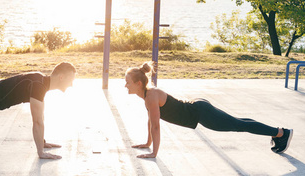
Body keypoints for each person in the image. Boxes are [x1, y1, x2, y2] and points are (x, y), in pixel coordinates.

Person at [125, 62, 293, 158]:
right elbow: (151, 121)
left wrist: (154, 152)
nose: (125, 85)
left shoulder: (151, 96)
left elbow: (156, 126)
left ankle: (281, 133)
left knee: (238, 125)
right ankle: (278, 132)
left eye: (128, 82)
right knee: (238, 123)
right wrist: (148, 143)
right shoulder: (148, 96)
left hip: (200, 112)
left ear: (138, 83)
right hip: (198, 108)